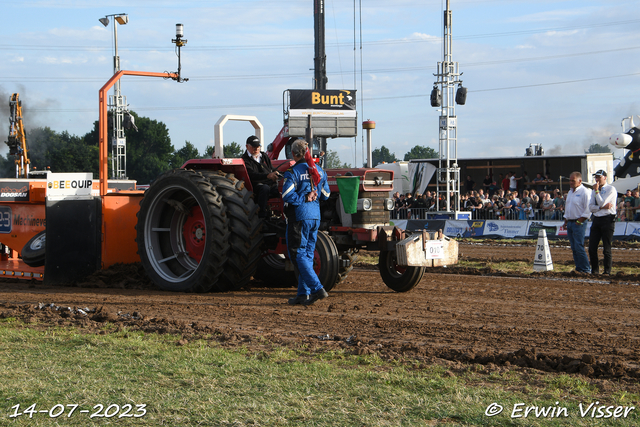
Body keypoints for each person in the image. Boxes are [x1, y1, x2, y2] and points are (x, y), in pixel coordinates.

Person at [282, 139, 331, 305]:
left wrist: (302, 197)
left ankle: (317, 289)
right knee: (308, 255)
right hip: (315, 217)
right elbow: (326, 194)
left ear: (294, 154)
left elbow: (286, 195)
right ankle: (303, 294)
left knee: (298, 254)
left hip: (299, 217)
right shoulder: (319, 171)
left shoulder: (292, 172)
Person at [242, 135, 280, 218]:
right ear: (247, 146)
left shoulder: (264, 156)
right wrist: (267, 176)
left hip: (269, 183)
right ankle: (262, 215)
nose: (256, 149)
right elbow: (251, 175)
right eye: (254, 147)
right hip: (255, 185)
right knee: (264, 188)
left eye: (258, 147)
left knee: (281, 188)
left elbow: (271, 168)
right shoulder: (244, 160)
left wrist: (276, 173)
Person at [588, 170, 617, 275]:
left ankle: (607, 271)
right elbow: (591, 207)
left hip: (607, 220)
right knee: (592, 247)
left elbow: (602, 201)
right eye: (596, 177)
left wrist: (596, 192)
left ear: (605, 177)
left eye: (599, 177)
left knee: (606, 248)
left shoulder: (611, 189)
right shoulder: (594, 190)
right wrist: (601, 207)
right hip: (596, 219)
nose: (597, 179)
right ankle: (595, 270)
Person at [563, 172, 591, 274]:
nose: (570, 182)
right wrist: (566, 220)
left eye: (573, 181)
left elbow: (588, 209)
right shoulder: (570, 192)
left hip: (579, 222)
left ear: (579, 181)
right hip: (570, 222)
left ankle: (586, 269)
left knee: (579, 246)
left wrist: (580, 220)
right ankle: (579, 268)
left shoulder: (585, 192)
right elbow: (568, 207)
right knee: (574, 247)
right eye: (570, 180)